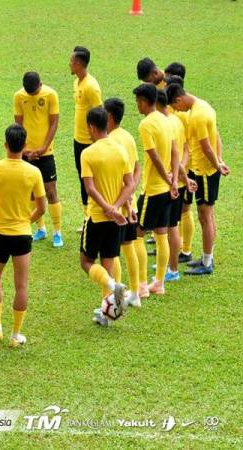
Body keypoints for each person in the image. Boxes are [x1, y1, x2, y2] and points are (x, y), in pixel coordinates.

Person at [0, 124, 45, 347]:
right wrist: (27, 220)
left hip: (0, 234)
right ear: (24, 146)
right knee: (21, 286)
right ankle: (15, 335)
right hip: (22, 236)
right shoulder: (33, 172)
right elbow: (42, 207)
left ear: (5, 145)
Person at [166, 84, 230, 275]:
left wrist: (217, 165)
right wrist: (219, 160)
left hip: (205, 172)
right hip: (200, 169)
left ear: (178, 99)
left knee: (205, 216)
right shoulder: (203, 106)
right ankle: (205, 258)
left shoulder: (198, 116)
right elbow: (216, 135)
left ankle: (207, 262)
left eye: (175, 107)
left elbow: (206, 147)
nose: (177, 111)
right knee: (206, 216)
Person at [79, 107, 134, 326]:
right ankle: (107, 314)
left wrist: (106, 208)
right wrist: (116, 207)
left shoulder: (88, 153)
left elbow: (90, 188)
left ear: (92, 127)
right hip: (116, 219)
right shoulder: (121, 150)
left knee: (86, 261)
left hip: (96, 217)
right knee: (108, 265)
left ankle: (113, 289)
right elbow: (129, 184)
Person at [132, 83, 179, 296]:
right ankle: (159, 282)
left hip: (153, 190)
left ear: (144, 101)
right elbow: (175, 152)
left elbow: (153, 156)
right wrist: (174, 180)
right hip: (167, 189)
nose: (137, 106)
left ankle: (142, 285)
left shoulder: (146, 125)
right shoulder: (166, 120)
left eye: (138, 101)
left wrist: (167, 179)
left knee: (136, 235)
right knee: (161, 234)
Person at [13, 71, 63, 247]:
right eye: (29, 93)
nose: (31, 95)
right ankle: (41, 229)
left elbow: (54, 123)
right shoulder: (19, 96)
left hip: (46, 152)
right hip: (27, 152)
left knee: (50, 191)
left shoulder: (50, 94)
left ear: (40, 84)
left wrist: (43, 147)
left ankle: (57, 231)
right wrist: (25, 150)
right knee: (31, 191)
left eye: (33, 93)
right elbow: (18, 125)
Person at [105, 98, 142, 308]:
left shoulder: (112, 141)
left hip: (118, 207)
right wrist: (132, 196)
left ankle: (116, 299)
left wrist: (125, 204)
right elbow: (136, 169)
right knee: (129, 247)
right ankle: (135, 293)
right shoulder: (127, 136)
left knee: (114, 252)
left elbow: (120, 177)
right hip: (129, 203)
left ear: (109, 117)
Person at [156, 90, 197, 281]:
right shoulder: (177, 121)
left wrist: (178, 177)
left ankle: (172, 269)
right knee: (168, 224)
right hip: (176, 180)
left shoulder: (166, 125)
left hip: (171, 182)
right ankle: (169, 263)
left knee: (170, 226)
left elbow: (176, 157)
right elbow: (186, 149)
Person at [70, 46, 102, 223]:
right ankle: (87, 217)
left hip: (90, 142)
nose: (69, 64)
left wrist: (96, 139)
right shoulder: (77, 82)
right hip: (78, 139)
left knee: (92, 180)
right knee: (83, 178)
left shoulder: (91, 87)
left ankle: (94, 215)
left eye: (72, 61)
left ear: (79, 64)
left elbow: (100, 114)